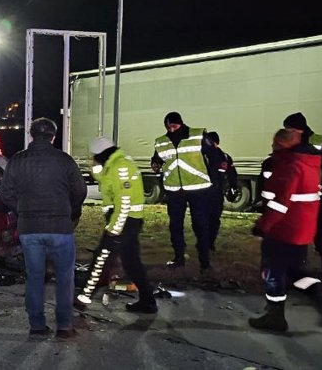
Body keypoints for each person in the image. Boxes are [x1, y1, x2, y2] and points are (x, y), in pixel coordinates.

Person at [249, 129, 322, 331]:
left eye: (275, 143)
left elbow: (280, 204)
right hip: (302, 231)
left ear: (282, 145)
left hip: (283, 230)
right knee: (295, 272)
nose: (272, 147)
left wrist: (263, 226)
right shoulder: (309, 164)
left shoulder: (289, 165)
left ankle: (275, 317)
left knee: (272, 272)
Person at [1, 118, 87, 339]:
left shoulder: (17, 161)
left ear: (31, 135)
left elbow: (6, 193)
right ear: (53, 136)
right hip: (60, 227)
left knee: (35, 277)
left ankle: (37, 325)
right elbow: (80, 191)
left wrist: (21, 210)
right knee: (65, 278)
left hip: (29, 229)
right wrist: (71, 211)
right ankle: (65, 326)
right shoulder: (64, 161)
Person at [76, 137, 157, 314]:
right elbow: (102, 178)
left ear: (100, 154)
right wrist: (96, 165)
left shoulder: (120, 166)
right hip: (127, 221)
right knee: (132, 263)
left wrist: (115, 227)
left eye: (94, 156)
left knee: (101, 259)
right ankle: (148, 301)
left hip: (124, 220)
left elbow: (125, 200)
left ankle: (84, 297)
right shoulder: (114, 164)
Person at [150, 112, 217, 271]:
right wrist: (155, 163)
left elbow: (213, 156)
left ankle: (205, 262)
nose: (172, 130)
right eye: (168, 127)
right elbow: (157, 159)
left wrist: (214, 181)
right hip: (174, 191)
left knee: (200, 225)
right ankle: (178, 258)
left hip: (198, 189)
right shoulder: (161, 142)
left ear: (181, 123)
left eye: (174, 126)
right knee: (175, 226)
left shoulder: (198, 135)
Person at [283, 112, 322, 275]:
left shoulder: (319, 142)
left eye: (288, 128)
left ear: (297, 129)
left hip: (315, 196)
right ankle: (301, 265)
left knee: (319, 230)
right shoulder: (294, 142)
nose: (286, 132)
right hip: (303, 196)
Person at [205, 131, 240, 252]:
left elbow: (232, 174)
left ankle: (210, 243)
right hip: (203, 194)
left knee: (214, 220)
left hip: (216, 195)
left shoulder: (224, 157)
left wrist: (233, 187)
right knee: (203, 219)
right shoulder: (202, 157)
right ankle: (205, 242)